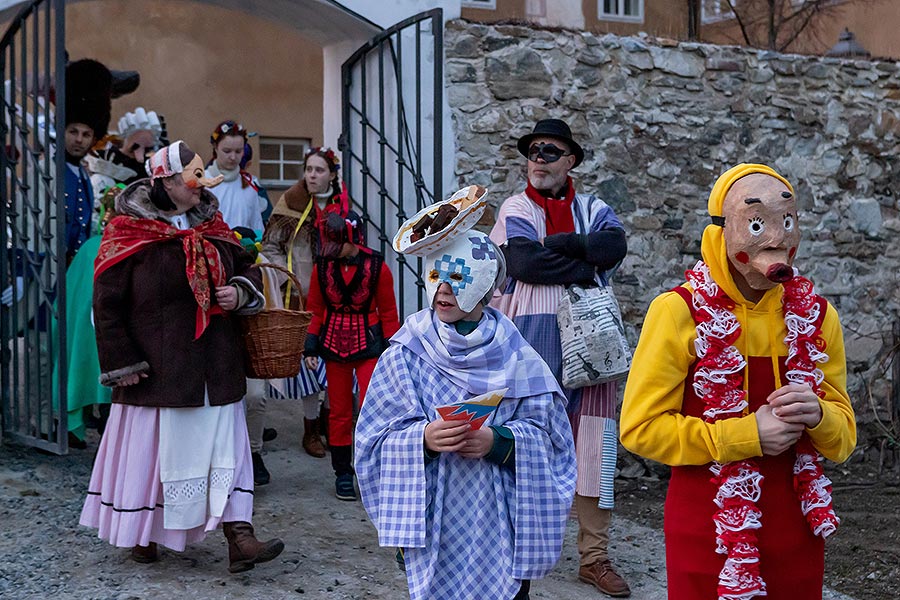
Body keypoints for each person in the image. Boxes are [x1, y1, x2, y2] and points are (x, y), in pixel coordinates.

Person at [620, 164, 856, 600]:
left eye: (787, 221)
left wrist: (820, 414)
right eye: (755, 223)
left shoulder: (820, 317)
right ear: (720, 234)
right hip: (708, 534)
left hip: (797, 535)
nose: (777, 239)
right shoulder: (678, 312)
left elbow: (842, 441)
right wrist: (746, 435)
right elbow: (639, 429)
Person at [80, 141, 285, 573]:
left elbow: (245, 264)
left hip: (216, 362)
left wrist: (239, 292)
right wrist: (122, 362)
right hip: (160, 368)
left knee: (226, 449)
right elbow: (107, 302)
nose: (203, 183)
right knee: (156, 454)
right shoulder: (129, 230)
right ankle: (145, 532)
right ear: (167, 181)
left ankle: (239, 537)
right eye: (193, 176)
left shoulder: (212, 224)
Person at [355, 207, 577, 600]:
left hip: (498, 522)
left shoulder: (517, 356)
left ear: (486, 284)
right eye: (437, 276)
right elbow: (373, 439)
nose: (443, 290)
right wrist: (423, 438)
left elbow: (554, 442)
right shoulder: (406, 353)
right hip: (434, 522)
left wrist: (500, 442)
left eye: (457, 277)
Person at [489, 118, 631, 597]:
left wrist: (561, 245)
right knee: (524, 436)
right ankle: (513, 550)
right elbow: (526, 261)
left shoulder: (594, 207)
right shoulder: (516, 207)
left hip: (592, 341)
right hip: (530, 338)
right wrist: (586, 261)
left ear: (570, 160)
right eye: (532, 152)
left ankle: (594, 557)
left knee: (595, 439)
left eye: (549, 152)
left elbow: (614, 247)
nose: (538, 160)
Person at [303, 207, 400, 501]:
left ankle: (374, 469)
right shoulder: (323, 267)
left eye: (338, 242)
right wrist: (310, 346)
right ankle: (343, 473)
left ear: (354, 238)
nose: (332, 249)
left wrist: (392, 350)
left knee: (373, 409)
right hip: (333, 347)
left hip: (369, 346)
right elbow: (315, 309)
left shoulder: (378, 266)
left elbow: (389, 313)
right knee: (340, 414)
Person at [261, 147, 346, 458]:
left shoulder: (342, 205)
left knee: (334, 364)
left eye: (319, 170)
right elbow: (270, 246)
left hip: (338, 297)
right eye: (309, 169)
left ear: (332, 174)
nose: (312, 175)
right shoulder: (292, 201)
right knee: (309, 367)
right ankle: (310, 429)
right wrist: (288, 280)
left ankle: (328, 421)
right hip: (304, 297)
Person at [205, 120, 265, 231]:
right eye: (227, 151)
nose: (233, 157)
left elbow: (257, 228)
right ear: (215, 147)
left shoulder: (249, 185)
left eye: (238, 151)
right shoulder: (203, 183)